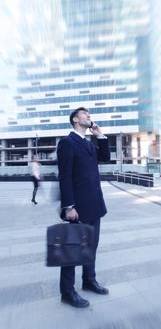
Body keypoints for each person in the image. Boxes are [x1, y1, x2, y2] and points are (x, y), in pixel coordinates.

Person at [56, 107, 110, 308]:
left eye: (89, 114)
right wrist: (68, 206)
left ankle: (89, 281)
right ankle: (67, 292)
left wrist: (100, 136)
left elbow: (105, 157)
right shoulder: (67, 143)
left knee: (91, 246)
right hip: (77, 207)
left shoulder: (87, 144)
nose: (89, 116)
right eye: (85, 114)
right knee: (72, 250)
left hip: (94, 204)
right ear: (76, 119)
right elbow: (65, 177)